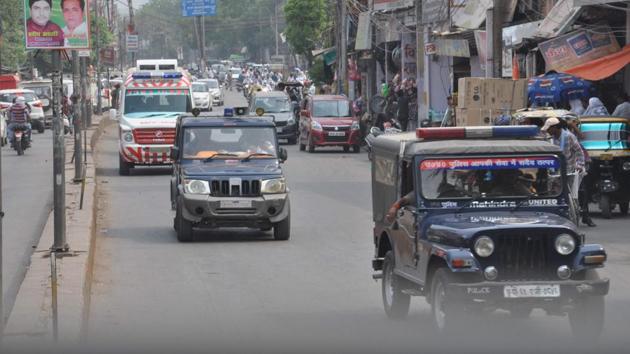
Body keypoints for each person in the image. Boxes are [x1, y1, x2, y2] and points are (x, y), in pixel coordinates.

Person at [542, 118, 592, 225]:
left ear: (555, 128)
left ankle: (583, 214)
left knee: (577, 192)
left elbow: (579, 151)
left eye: (549, 129)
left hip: (569, 169)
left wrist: (579, 165)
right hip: (553, 171)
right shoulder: (548, 138)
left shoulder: (569, 136)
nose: (547, 131)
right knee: (551, 192)